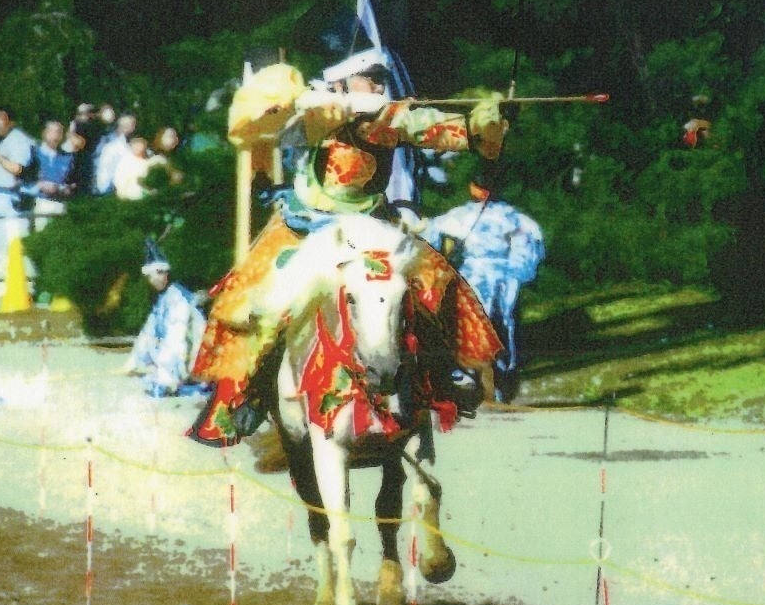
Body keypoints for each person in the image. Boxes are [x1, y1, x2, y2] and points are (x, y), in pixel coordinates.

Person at [187, 50, 510, 446]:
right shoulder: (315, 111)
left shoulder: (390, 117)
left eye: (380, 77)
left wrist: (480, 126)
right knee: (249, 298)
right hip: (305, 225)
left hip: (370, 225)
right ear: (341, 82)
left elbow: (429, 126)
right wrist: (306, 100)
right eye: (368, 76)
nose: (377, 84)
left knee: (437, 280)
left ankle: (444, 373)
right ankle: (242, 395)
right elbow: (264, 126)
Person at [422, 188, 545, 378]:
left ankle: (474, 368)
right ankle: (504, 365)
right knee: (503, 319)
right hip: (506, 273)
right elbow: (532, 245)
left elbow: (431, 233)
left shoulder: (461, 215)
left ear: (475, 190)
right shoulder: (515, 216)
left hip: (474, 273)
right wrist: (520, 272)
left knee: (473, 319)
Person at [122, 240, 208, 397]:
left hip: (194, 360)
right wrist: (133, 363)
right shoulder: (162, 300)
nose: (156, 279)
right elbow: (147, 334)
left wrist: (165, 378)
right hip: (177, 360)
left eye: (161, 273)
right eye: (153, 275)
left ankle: (173, 380)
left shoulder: (178, 299)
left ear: (167, 273)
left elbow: (175, 341)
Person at [0, 108, 35, 304]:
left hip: (11, 201)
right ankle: (1, 289)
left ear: (9, 120)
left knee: (15, 245)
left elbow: (17, 168)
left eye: (0, 120)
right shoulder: (5, 140)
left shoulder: (19, 140)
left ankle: (24, 289)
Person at [24, 120, 77, 231]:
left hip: (60, 203)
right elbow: (22, 180)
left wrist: (65, 189)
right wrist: (39, 186)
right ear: (44, 133)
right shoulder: (33, 154)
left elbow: (73, 182)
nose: (55, 136)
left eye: (59, 132)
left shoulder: (67, 158)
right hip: (40, 203)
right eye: (52, 131)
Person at [93, 112, 136, 195]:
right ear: (120, 126)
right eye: (126, 126)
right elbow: (104, 170)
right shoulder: (110, 145)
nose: (131, 129)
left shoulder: (131, 144)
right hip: (110, 188)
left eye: (132, 125)